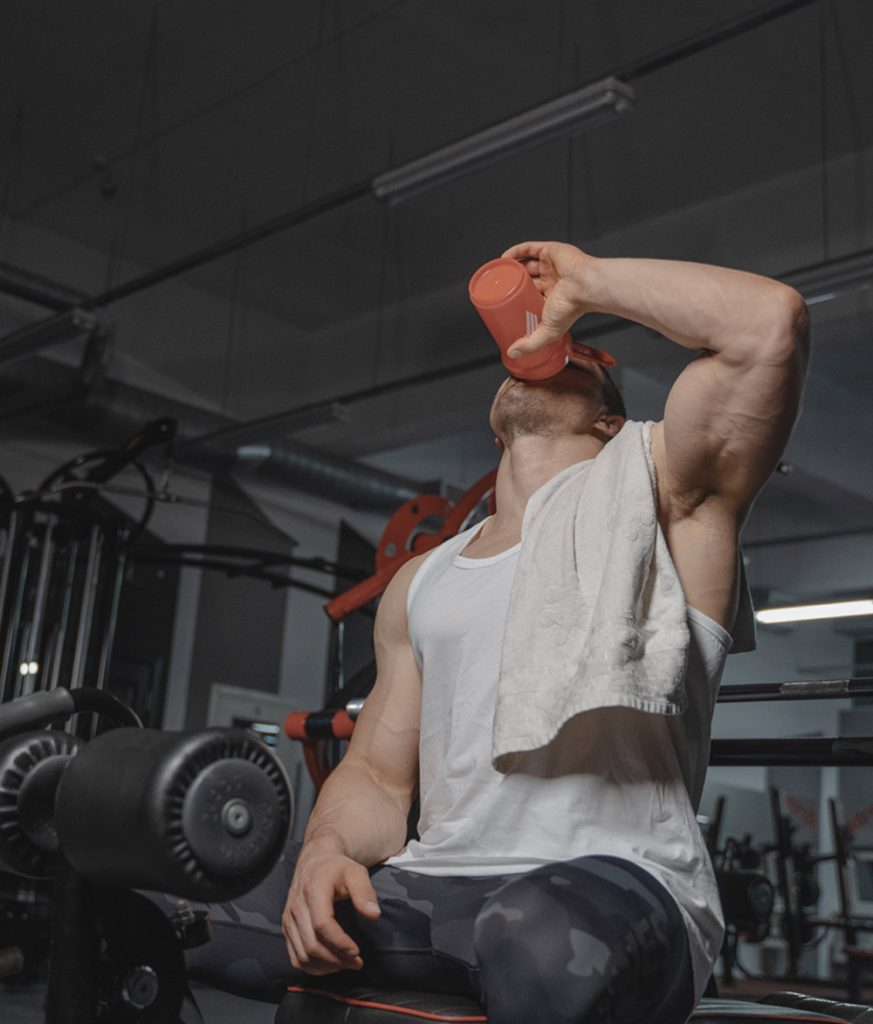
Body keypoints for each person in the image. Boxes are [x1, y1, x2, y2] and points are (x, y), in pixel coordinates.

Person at [183, 241, 809, 1024]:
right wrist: (325, 855)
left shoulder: (666, 507)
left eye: (579, 354)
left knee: (533, 936)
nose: (547, 346)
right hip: (438, 885)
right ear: (492, 419)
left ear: (611, 423)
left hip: (610, 887)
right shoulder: (423, 580)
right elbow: (378, 776)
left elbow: (766, 323)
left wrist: (584, 287)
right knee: (168, 895)